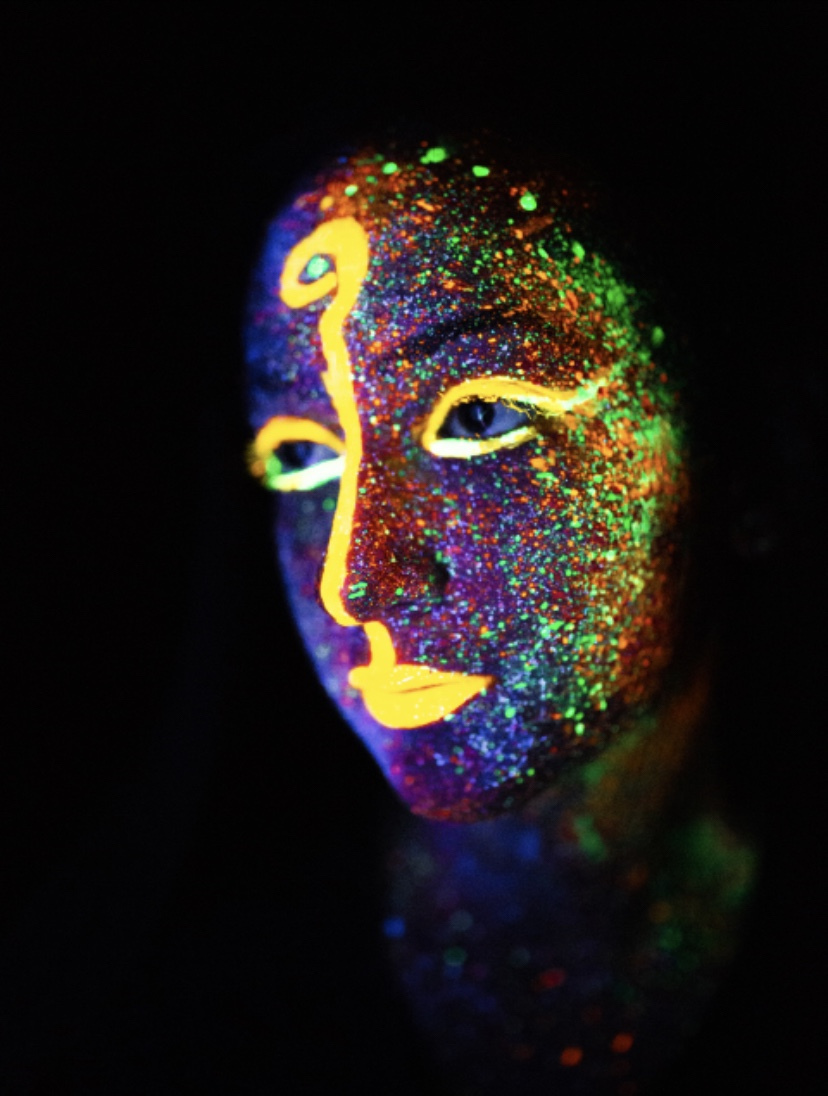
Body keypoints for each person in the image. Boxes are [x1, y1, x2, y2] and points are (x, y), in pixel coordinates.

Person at [244, 136, 756, 1094]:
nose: (358, 579)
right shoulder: (175, 1009)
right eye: (303, 456)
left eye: (479, 417)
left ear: (749, 454)